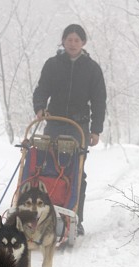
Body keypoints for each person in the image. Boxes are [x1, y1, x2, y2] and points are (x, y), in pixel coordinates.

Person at [33, 23, 107, 235]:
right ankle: (43, 215)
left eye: (77, 40)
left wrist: (96, 129)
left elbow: (99, 100)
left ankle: (75, 217)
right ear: (63, 41)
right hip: (54, 123)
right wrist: (40, 108)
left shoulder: (92, 69)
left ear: (83, 43)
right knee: (47, 168)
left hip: (78, 127)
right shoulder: (53, 65)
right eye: (69, 39)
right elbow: (41, 90)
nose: (73, 44)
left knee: (76, 171)